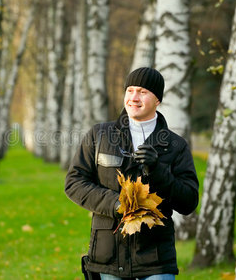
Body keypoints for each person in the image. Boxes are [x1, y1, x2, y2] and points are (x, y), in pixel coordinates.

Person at [65, 67, 199, 280]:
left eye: (143, 92)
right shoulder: (99, 136)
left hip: (155, 260)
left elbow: (189, 201)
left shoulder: (175, 145)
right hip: (107, 257)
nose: (134, 98)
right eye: (130, 90)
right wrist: (116, 203)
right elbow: (74, 183)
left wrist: (158, 170)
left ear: (158, 100)